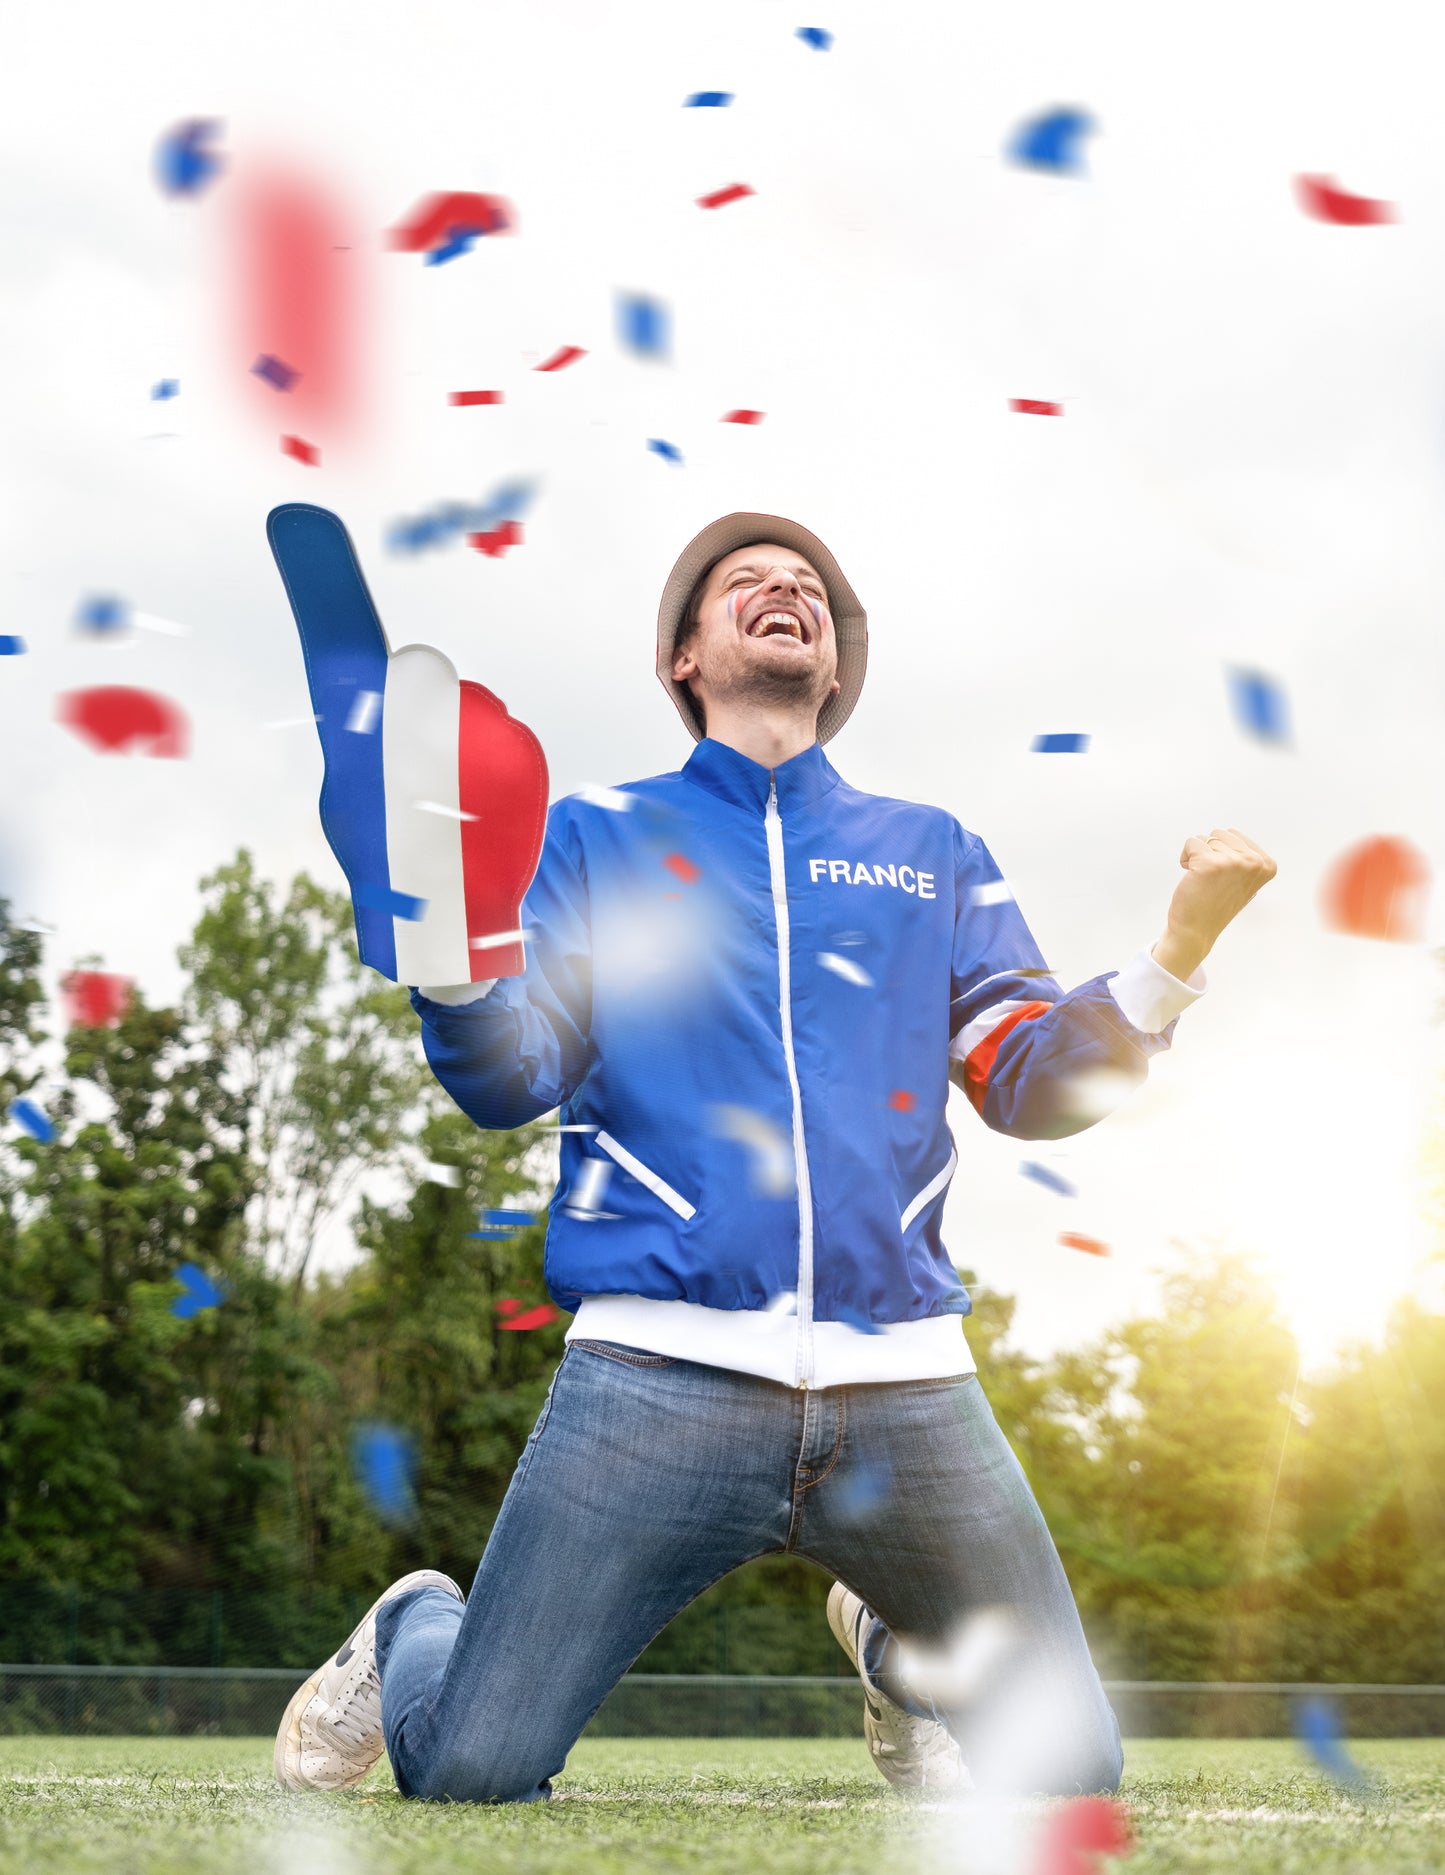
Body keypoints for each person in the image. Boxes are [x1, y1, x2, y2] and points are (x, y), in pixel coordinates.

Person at [273, 510, 1275, 1803]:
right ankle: (416, 1627)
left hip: (904, 1385)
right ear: (683, 655)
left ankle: (904, 1646)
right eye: (743, 582)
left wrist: (1174, 952)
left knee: (1069, 1768)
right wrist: (452, 970)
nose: (783, 589)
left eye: (806, 585)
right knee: (473, 1770)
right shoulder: (593, 836)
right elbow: (509, 1078)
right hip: (653, 1376)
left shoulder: (934, 853)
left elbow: (1027, 1084)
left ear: (835, 666)